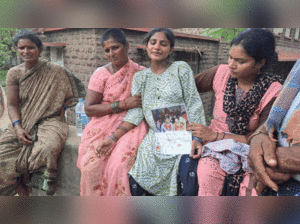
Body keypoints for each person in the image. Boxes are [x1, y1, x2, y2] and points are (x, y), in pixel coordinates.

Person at [95, 28, 206, 196]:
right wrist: (112, 138)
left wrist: (197, 137)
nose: (157, 47)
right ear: (146, 46)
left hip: (181, 133)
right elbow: (136, 112)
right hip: (155, 135)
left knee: (184, 179)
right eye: (153, 43)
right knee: (136, 177)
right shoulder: (141, 77)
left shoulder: (180, 69)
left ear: (171, 49)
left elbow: (193, 103)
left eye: (163, 44)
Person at [187, 28, 284, 196]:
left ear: (260, 63)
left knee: (252, 190)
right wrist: (197, 134)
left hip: (251, 152)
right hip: (215, 149)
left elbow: (259, 138)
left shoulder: (273, 92)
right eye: (230, 57)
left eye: (240, 61)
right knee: (206, 175)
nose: (231, 64)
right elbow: (185, 90)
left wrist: (214, 135)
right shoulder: (222, 73)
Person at [0, 30, 85, 196]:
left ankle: (28, 182)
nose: (25, 51)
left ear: (40, 50)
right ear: (16, 49)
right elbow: (11, 104)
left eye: (30, 47)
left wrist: (61, 107)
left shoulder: (56, 71)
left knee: (46, 149)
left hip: (51, 120)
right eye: (21, 47)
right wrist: (17, 127)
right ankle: (21, 187)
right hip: (22, 120)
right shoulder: (14, 74)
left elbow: (79, 89)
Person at [77, 28, 148, 196]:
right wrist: (123, 104)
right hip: (103, 123)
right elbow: (89, 109)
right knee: (90, 164)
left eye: (115, 48)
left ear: (126, 46)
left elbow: (144, 106)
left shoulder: (142, 72)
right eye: (107, 50)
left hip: (131, 123)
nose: (111, 53)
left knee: (119, 165)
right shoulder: (100, 74)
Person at [249, 59, 300, 196]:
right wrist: (261, 135)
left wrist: (276, 158)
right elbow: (283, 108)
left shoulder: (270, 86)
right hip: (279, 181)